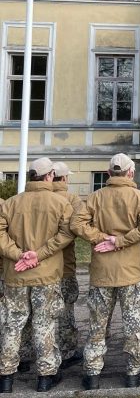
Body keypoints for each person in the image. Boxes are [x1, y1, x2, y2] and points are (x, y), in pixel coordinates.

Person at [71, 153, 140, 390]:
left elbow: (77, 224)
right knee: (133, 325)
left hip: (102, 272)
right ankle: (133, 372)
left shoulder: (94, 197)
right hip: (131, 272)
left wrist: (103, 238)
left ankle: (92, 373)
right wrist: (119, 241)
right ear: (131, 173)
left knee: (97, 326)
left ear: (109, 173)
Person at [0, 157, 74, 393]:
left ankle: (6, 377)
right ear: (50, 175)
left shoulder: (10, 203)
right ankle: (45, 376)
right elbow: (67, 234)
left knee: (12, 325)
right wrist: (38, 254)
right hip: (47, 275)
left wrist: (19, 255)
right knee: (45, 324)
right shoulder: (61, 203)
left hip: (15, 275)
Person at [51, 162, 84, 370]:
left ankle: (26, 354)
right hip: (64, 265)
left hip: (35, 266)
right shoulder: (71, 199)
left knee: (35, 313)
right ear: (64, 178)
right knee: (66, 310)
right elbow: (78, 227)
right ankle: (67, 351)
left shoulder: (26, 197)